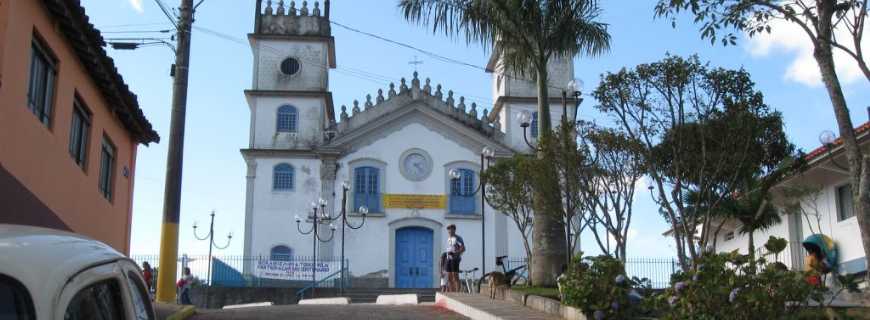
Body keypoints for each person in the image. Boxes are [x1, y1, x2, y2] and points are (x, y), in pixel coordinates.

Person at [445, 224, 465, 292]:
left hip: (455, 259)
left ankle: (457, 292)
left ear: (454, 230)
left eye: (451, 230)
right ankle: (452, 292)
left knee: (455, 275)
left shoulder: (458, 238)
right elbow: (449, 248)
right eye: (448, 231)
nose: (449, 232)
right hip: (449, 258)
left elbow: (463, 248)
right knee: (449, 277)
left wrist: (455, 253)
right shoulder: (448, 239)